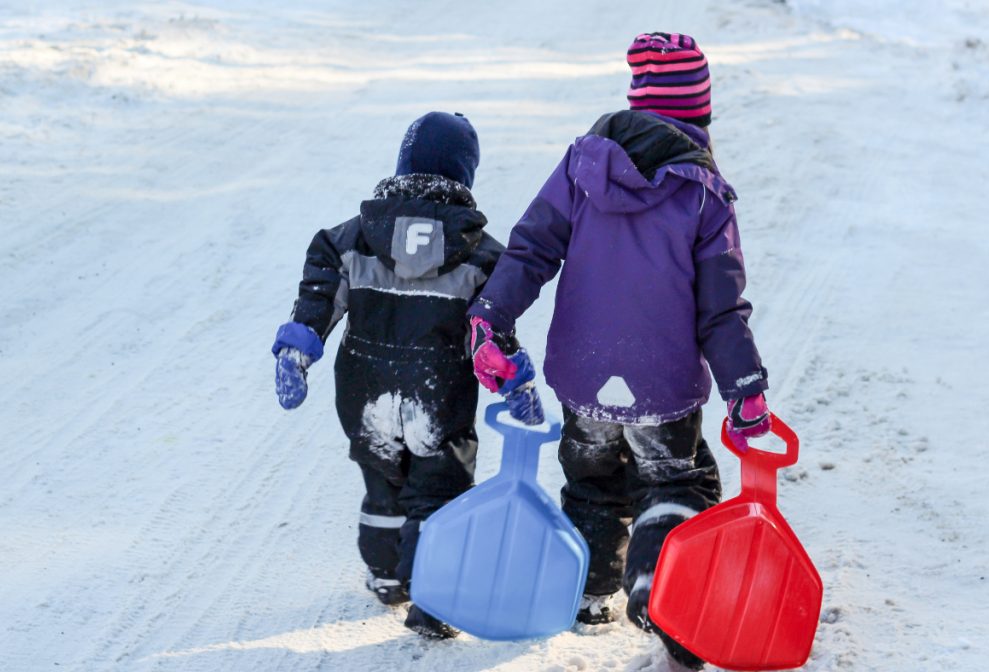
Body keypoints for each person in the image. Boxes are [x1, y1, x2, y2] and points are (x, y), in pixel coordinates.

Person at [467, 33, 772, 669]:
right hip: (660, 382)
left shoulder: (583, 165)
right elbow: (721, 310)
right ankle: (654, 582)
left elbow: (530, 247)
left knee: (594, 478)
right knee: (677, 476)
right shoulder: (705, 193)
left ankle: (589, 593)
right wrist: (745, 389)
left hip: (584, 374)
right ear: (700, 114)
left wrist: (491, 316)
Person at [270, 111, 537, 639]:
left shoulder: (353, 236)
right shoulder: (482, 254)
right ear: (466, 175)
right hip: (439, 394)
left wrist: (299, 348)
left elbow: (321, 294)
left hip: (365, 391)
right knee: (438, 491)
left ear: (403, 164)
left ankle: (388, 576)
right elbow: (492, 331)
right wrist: (516, 381)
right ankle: (434, 601)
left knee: (383, 479)